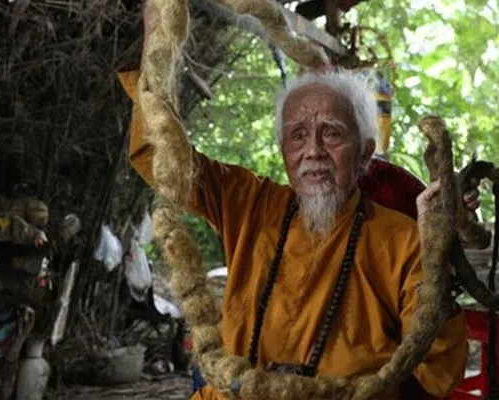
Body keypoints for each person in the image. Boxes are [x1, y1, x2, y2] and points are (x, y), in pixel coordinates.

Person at [117, 63, 475, 398]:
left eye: (332, 134)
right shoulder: (249, 204)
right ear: (284, 151)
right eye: (298, 136)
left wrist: (436, 248)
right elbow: (163, 160)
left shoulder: (401, 238)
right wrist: (147, 49)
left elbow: (436, 368)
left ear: (365, 154)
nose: (313, 151)